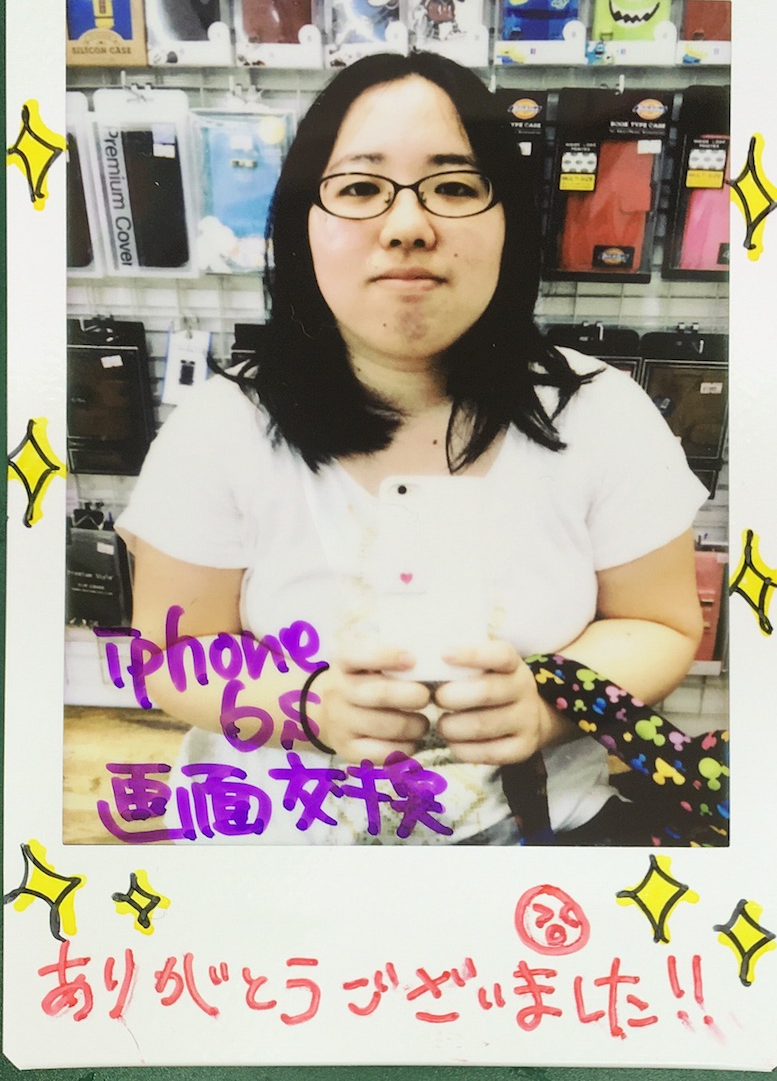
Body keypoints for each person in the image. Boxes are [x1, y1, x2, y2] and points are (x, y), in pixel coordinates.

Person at [117, 51, 706, 846]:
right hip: (278, 848)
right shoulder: (220, 427)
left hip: (538, 845)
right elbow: (172, 654)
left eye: (455, 187)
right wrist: (307, 706)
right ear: (302, 224)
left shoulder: (602, 413)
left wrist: (549, 702)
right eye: (361, 188)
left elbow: (659, 623)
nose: (406, 226)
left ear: (509, 220)